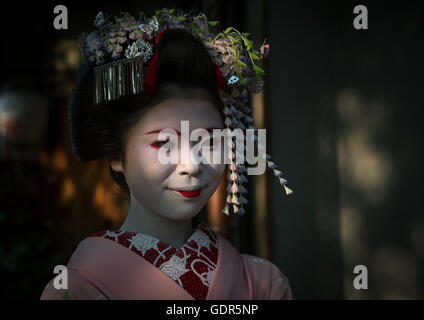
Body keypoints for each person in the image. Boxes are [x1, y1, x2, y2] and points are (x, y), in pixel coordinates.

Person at [40, 9, 293, 300]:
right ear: (116, 155)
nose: (192, 165)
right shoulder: (77, 288)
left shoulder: (264, 282)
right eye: (164, 144)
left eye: (209, 141)